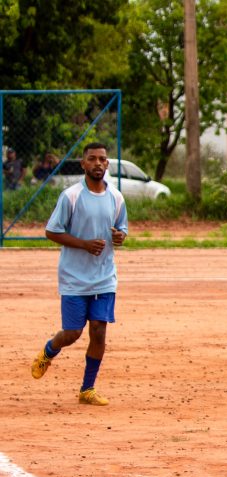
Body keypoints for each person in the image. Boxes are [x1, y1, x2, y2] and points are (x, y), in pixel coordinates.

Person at [30, 142, 128, 406]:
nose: (98, 163)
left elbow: (121, 229)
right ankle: (49, 351)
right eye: (92, 159)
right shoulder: (71, 196)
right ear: (83, 164)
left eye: (102, 159)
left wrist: (120, 236)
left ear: (107, 165)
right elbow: (52, 231)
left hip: (105, 278)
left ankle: (87, 389)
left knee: (98, 332)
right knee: (73, 332)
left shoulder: (117, 198)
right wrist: (84, 244)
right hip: (74, 279)